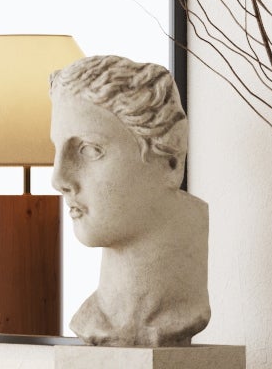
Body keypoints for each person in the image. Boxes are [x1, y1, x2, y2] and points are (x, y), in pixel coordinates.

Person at [49, 53, 209, 345]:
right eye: (56, 150)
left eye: (89, 149)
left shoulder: (182, 314)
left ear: (171, 161)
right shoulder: (91, 320)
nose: (58, 179)